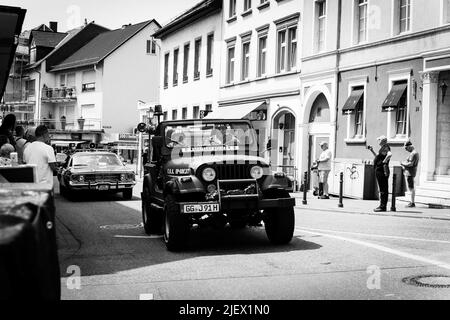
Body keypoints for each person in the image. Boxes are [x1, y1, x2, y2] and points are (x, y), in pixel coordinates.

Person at [23, 125, 57, 189]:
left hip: (31, 185)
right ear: (44, 134)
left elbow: (25, 165)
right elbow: (53, 167)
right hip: (45, 185)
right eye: (48, 134)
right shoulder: (48, 148)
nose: (49, 136)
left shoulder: (27, 148)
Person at [368, 136, 392, 212]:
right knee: (382, 188)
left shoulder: (386, 147)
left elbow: (390, 154)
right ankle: (382, 205)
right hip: (379, 170)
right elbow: (378, 157)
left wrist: (384, 161)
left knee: (383, 188)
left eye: (379, 140)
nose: (378, 141)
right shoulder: (382, 148)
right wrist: (372, 150)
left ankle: (383, 206)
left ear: (383, 141)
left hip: (381, 170)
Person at [401, 140, 420, 208]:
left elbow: (410, 164)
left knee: (411, 188)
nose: (406, 150)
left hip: (410, 173)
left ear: (409, 147)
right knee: (411, 187)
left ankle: (412, 202)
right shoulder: (415, 153)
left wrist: (402, 163)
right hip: (411, 172)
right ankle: (412, 202)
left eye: (406, 148)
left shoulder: (413, 153)